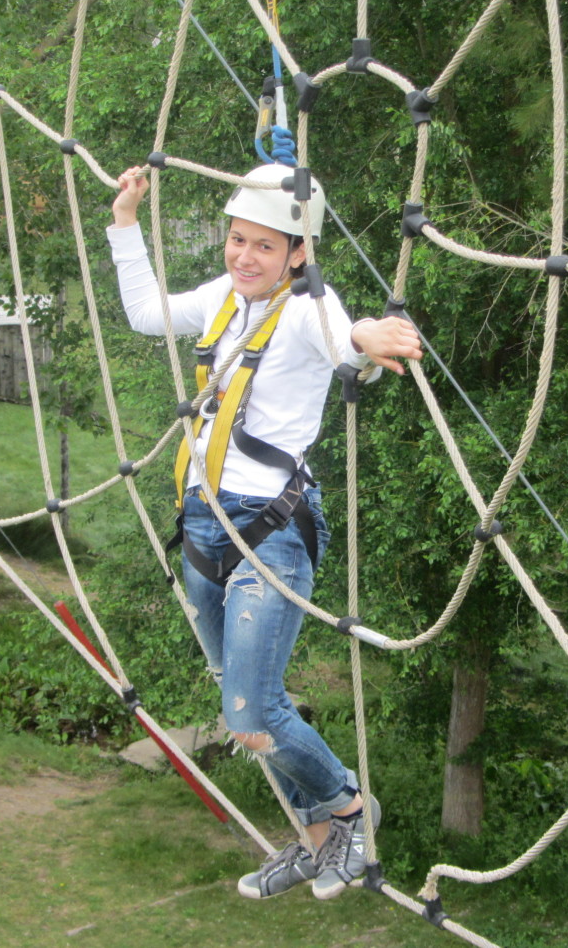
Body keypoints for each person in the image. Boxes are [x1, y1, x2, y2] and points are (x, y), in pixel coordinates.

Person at [107, 162, 421, 900]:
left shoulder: (310, 304)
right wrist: (125, 223)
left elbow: (345, 342)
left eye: (265, 246)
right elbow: (147, 313)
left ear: (298, 253)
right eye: (237, 239)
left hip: (270, 532)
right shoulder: (224, 297)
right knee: (240, 703)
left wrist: (369, 339)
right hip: (203, 525)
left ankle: (350, 809)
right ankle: (317, 840)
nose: (245, 257)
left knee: (251, 711)